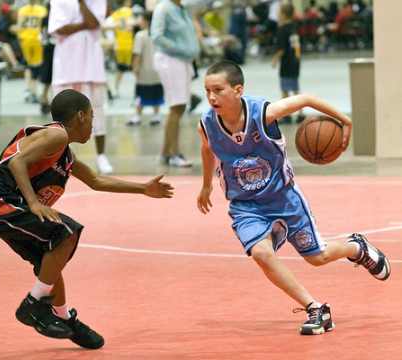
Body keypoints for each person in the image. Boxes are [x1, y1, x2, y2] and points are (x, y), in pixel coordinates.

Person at [197, 60, 390, 335]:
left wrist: (345, 121)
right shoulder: (206, 123)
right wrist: (206, 185)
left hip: (284, 197)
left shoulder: (262, 114)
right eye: (207, 90)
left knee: (318, 257)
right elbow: (206, 149)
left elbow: (306, 99)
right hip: (246, 205)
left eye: (218, 89)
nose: (211, 97)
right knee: (261, 254)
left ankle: (356, 247)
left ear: (238, 90)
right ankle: (316, 309)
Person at [0, 89, 174, 348]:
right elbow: (17, 163)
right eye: (91, 116)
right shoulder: (57, 134)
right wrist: (33, 204)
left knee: (50, 255)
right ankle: (33, 305)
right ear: (80, 116)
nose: (93, 123)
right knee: (66, 231)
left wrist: (143, 188)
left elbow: (95, 180)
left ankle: (64, 317)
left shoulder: (64, 151)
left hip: (4, 207)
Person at [49, 0, 113, 175]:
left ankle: (101, 156)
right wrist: (85, 25)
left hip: (91, 62)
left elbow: (93, 22)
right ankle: (60, 157)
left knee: (96, 109)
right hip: (66, 62)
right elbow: (60, 28)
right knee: (62, 113)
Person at [151, 0, 200, 167]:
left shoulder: (183, 8)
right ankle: (175, 154)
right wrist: (180, 48)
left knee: (180, 107)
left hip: (183, 61)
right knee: (175, 106)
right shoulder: (163, 7)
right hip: (170, 60)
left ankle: (165, 153)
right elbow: (156, 36)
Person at [127, 11, 164, 126]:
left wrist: (134, 67)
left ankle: (137, 117)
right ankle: (156, 116)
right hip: (158, 70)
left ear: (145, 21)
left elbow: (137, 54)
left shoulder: (140, 35)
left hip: (144, 70)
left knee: (141, 94)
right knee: (156, 93)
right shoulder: (159, 34)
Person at [271, 3, 304, 124]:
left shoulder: (282, 29)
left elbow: (281, 49)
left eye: (279, 12)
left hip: (286, 62)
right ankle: (300, 113)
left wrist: (274, 61)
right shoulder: (293, 27)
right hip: (295, 60)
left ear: (283, 14)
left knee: (285, 89)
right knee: (295, 88)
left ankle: (286, 114)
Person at [18, 0, 48, 103]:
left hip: (25, 40)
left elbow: (19, 27)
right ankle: (33, 91)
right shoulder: (42, 10)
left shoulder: (22, 10)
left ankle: (28, 89)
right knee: (35, 67)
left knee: (28, 65)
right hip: (36, 40)